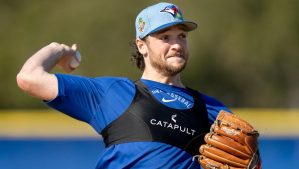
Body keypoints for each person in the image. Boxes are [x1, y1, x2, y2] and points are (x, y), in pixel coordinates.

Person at [17, 2, 231, 169]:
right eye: (165, 37)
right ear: (142, 45)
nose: (176, 45)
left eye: (182, 36)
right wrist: (59, 50)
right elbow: (29, 77)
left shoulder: (212, 110)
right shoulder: (114, 93)